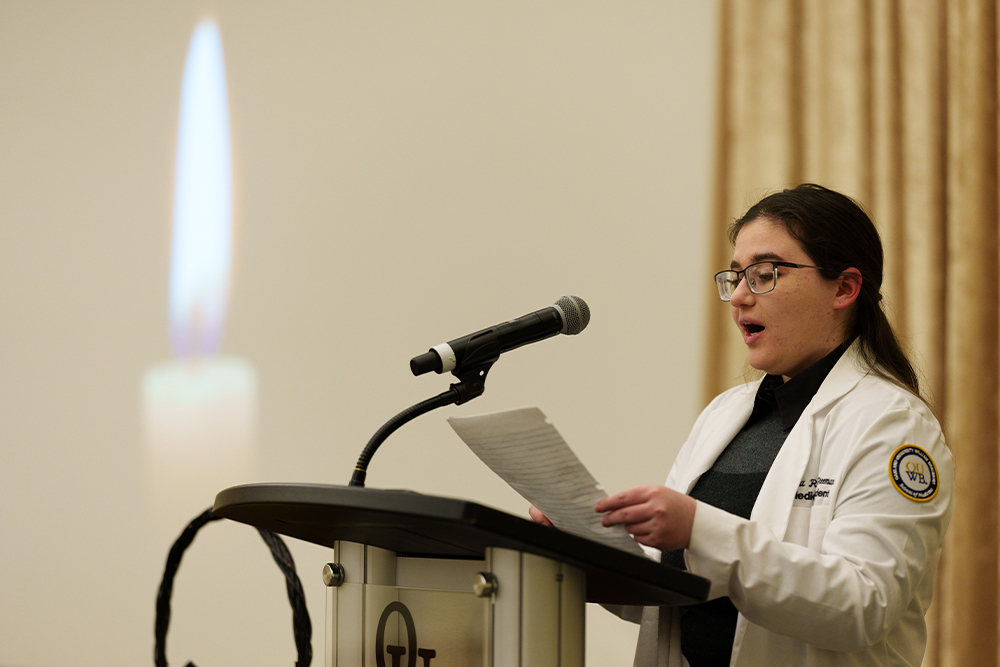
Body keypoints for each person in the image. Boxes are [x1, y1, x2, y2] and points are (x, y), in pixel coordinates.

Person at [530, 184, 953, 667]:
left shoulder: (892, 423)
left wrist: (698, 529)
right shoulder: (724, 415)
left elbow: (864, 604)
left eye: (765, 274)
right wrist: (585, 552)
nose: (740, 298)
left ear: (844, 288)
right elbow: (668, 595)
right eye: (735, 277)